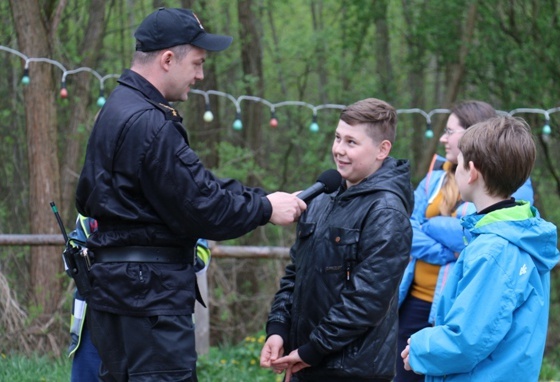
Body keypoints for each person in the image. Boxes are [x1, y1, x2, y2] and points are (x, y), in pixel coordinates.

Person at [74, 7, 306, 382]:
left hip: (117, 293)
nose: (200, 75)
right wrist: (264, 207)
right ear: (168, 59)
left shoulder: (115, 110)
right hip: (148, 299)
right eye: (197, 63)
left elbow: (89, 197)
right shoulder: (149, 123)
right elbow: (201, 205)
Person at [260, 98, 414, 382]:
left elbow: (367, 298)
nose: (339, 150)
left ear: (383, 149)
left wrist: (314, 349)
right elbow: (296, 274)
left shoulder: (387, 212)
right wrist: (278, 327)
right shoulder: (321, 196)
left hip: (352, 370)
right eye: (337, 138)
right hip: (305, 362)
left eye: (351, 142)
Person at [401, 115, 559, 381]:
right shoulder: (522, 232)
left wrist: (420, 347)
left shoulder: (493, 251)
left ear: (472, 172)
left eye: (457, 166)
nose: (453, 171)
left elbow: (466, 341)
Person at [65, 215, 212, 381]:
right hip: (95, 323)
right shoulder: (93, 204)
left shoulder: (175, 202)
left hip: (158, 319)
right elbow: (71, 259)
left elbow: (200, 258)